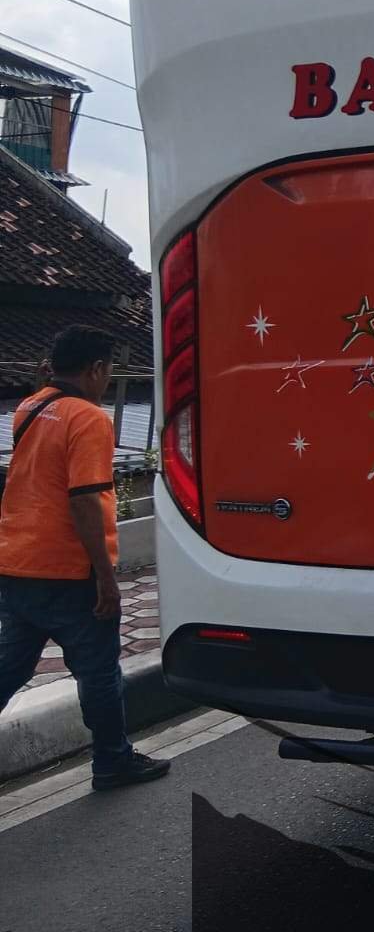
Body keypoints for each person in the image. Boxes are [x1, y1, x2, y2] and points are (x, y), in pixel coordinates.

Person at [0, 326, 171, 791]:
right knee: (98, 672)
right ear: (96, 369)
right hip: (68, 571)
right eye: (108, 370)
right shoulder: (90, 418)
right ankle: (113, 761)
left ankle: (115, 758)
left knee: (11, 667)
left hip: (17, 563)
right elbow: (84, 500)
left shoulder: (30, 408)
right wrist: (105, 578)